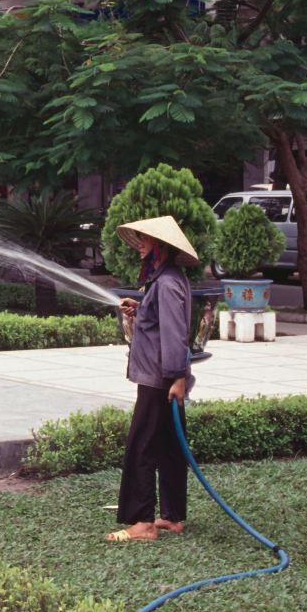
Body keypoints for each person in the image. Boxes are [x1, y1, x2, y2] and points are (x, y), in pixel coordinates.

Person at [110, 215, 198, 543]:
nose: (140, 244)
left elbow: (176, 334)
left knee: (141, 447)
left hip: (158, 378)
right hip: (163, 376)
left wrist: (178, 377)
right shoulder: (164, 281)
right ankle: (172, 517)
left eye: (145, 239)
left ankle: (142, 524)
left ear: (161, 247)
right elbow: (162, 321)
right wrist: (141, 306)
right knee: (169, 446)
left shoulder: (168, 283)